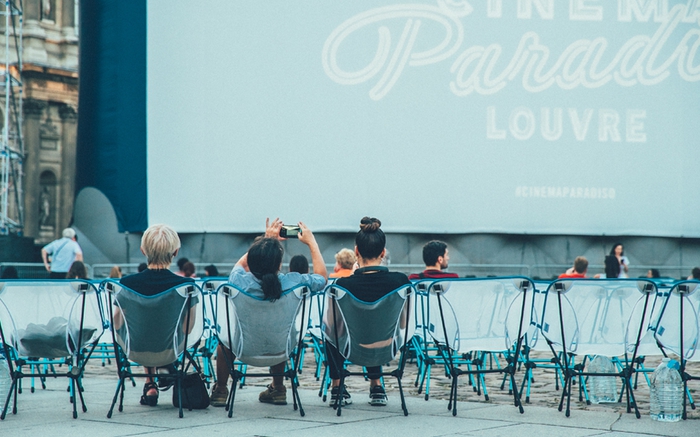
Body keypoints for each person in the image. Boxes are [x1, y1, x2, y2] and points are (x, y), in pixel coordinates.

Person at [210, 218, 327, 407]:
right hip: (281, 349)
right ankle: (278, 388)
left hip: (243, 350)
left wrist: (265, 241)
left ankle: (221, 390)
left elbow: (241, 265)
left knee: (224, 343)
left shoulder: (239, 281)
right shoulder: (294, 282)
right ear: (279, 263)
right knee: (279, 329)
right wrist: (311, 242)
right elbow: (322, 278)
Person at [325, 217, 410, 407]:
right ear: (383, 252)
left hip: (352, 349)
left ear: (356, 252)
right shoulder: (400, 282)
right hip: (386, 347)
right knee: (376, 326)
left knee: (330, 332)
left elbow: (331, 327)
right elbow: (404, 324)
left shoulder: (342, 286)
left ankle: (338, 386)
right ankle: (376, 385)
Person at [119, 224, 195, 407]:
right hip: (171, 349)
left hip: (136, 349)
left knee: (146, 327)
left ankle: (150, 383)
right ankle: (165, 368)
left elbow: (116, 323)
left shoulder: (126, 283)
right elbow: (188, 328)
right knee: (163, 331)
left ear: (143, 250)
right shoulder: (186, 286)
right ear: (175, 252)